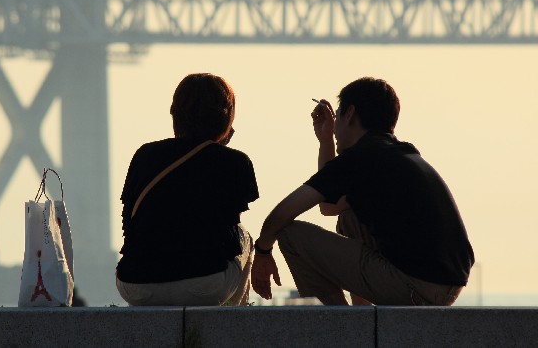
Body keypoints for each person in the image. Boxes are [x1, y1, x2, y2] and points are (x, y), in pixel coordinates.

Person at [251, 77, 474, 306]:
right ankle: (361, 317)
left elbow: (282, 213)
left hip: (416, 286)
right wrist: (326, 139)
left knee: (290, 234)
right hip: (446, 285)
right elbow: (330, 207)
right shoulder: (397, 155)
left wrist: (263, 251)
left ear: (350, 114)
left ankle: (344, 328)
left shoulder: (361, 159)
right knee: (349, 219)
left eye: (338, 115)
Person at [116, 73, 259, 306]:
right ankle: (231, 328)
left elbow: (128, 223)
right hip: (205, 285)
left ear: (175, 114)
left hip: (136, 284)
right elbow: (228, 229)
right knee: (245, 236)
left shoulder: (145, 155)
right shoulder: (236, 162)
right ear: (227, 117)